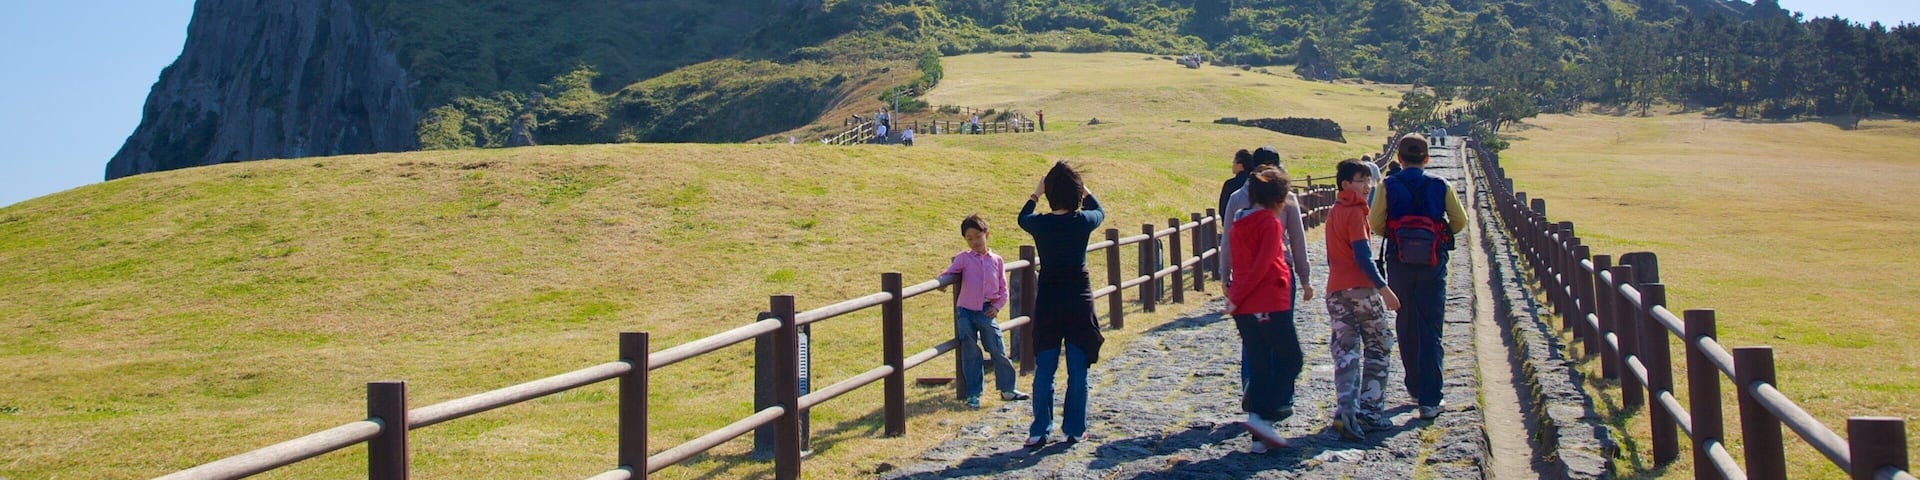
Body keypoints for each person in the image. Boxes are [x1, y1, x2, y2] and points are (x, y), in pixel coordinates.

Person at [1369, 134, 1468, 420]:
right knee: (1431, 328)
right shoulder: (1440, 185)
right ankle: (1430, 397)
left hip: (1399, 262)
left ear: (1399, 159)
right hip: (1433, 262)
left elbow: (1375, 224)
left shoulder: (1387, 185)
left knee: (1406, 322)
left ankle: (1413, 385)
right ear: (1427, 158)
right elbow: (1459, 222)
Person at [1018, 161, 1106, 449]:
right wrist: (1085, 191)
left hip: (1048, 301)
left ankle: (1040, 429)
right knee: (1077, 370)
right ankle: (1074, 429)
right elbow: (1100, 211)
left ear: (1050, 194)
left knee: (1045, 368)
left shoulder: (1040, 224)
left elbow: (1022, 217)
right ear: (1077, 195)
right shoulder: (1083, 222)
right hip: (1079, 300)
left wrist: (1035, 193)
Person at [1225, 165, 1303, 453]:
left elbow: (1239, 263)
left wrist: (1235, 297)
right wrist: (1238, 296)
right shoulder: (1270, 224)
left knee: (1258, 364)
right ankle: (1268, 412)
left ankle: (1259, 431)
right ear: (1278, 199)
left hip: (1245, 307)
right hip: (1267, 302)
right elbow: (1262, 266)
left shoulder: (1238, 220)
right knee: (1291, 359)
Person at [1324, 159, 1402, 439]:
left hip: (1335, 289)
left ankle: (1346, 411)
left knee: (1346, 351)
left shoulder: (1334, 212)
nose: (1368, 186)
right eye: (1361, 181)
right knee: (1380, 344)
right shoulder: (1356, 212)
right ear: (1346, 184)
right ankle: (1370, 410)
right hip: (1360, 289)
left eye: (1369, 181)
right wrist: (1384, 288)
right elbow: (1363, 256)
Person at [939, 214, 1031, 409]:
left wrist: (996, 307)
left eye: (977, 236)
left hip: (986, 310)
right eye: (969, 238)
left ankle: (1007, 389)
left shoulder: (996, 260)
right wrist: (942, 282)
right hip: (965, 311)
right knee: (970, 351)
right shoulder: (964, 258)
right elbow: (950, 272)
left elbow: (1003, 289)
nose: (974, 242)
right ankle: (973, 394)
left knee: (997, 348)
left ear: (986, 234)